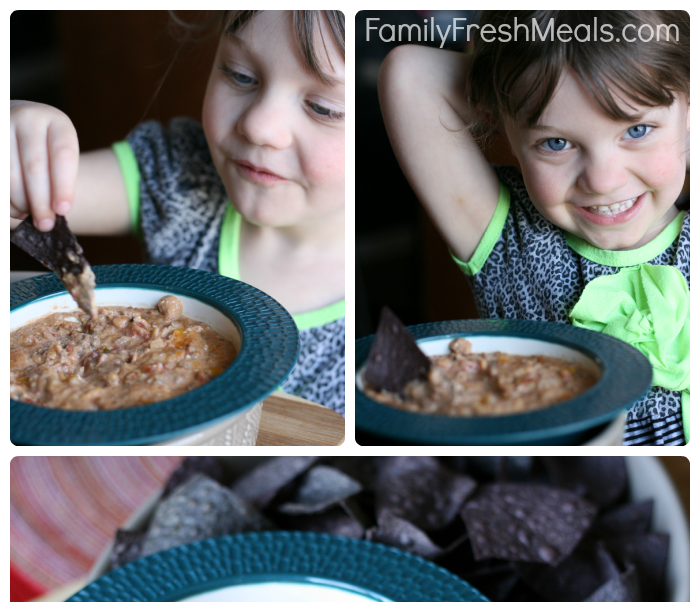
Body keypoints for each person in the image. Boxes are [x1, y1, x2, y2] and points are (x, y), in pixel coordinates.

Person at [10, 10, 355, 416]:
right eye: (241, 75)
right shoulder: (178, 176)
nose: (259, 126)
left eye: (322, 107)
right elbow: (23, 198)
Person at [378, 10, 695, 445]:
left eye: (637, 130)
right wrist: (522, 78)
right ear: (500, 121)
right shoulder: (509, 239)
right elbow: (410, 74)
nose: (602, 180)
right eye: (557, 142)